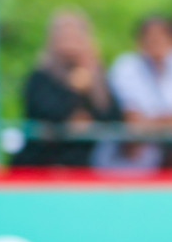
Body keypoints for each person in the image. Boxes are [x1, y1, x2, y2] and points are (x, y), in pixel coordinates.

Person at [11, 10, 122, 169]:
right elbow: (42, 112)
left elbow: (113, 115)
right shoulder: (41, 76)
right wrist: (73, 90)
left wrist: (89, 112)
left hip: (84, 164)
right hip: (42, 162)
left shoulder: (97, 76)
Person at [108, 16, 172, 171]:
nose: (156, 43)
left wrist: (156, 121)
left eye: (162, 37)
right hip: (133, 161)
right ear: (139, 42)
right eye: (150, 38)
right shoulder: (125, 66)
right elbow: (133, 122)